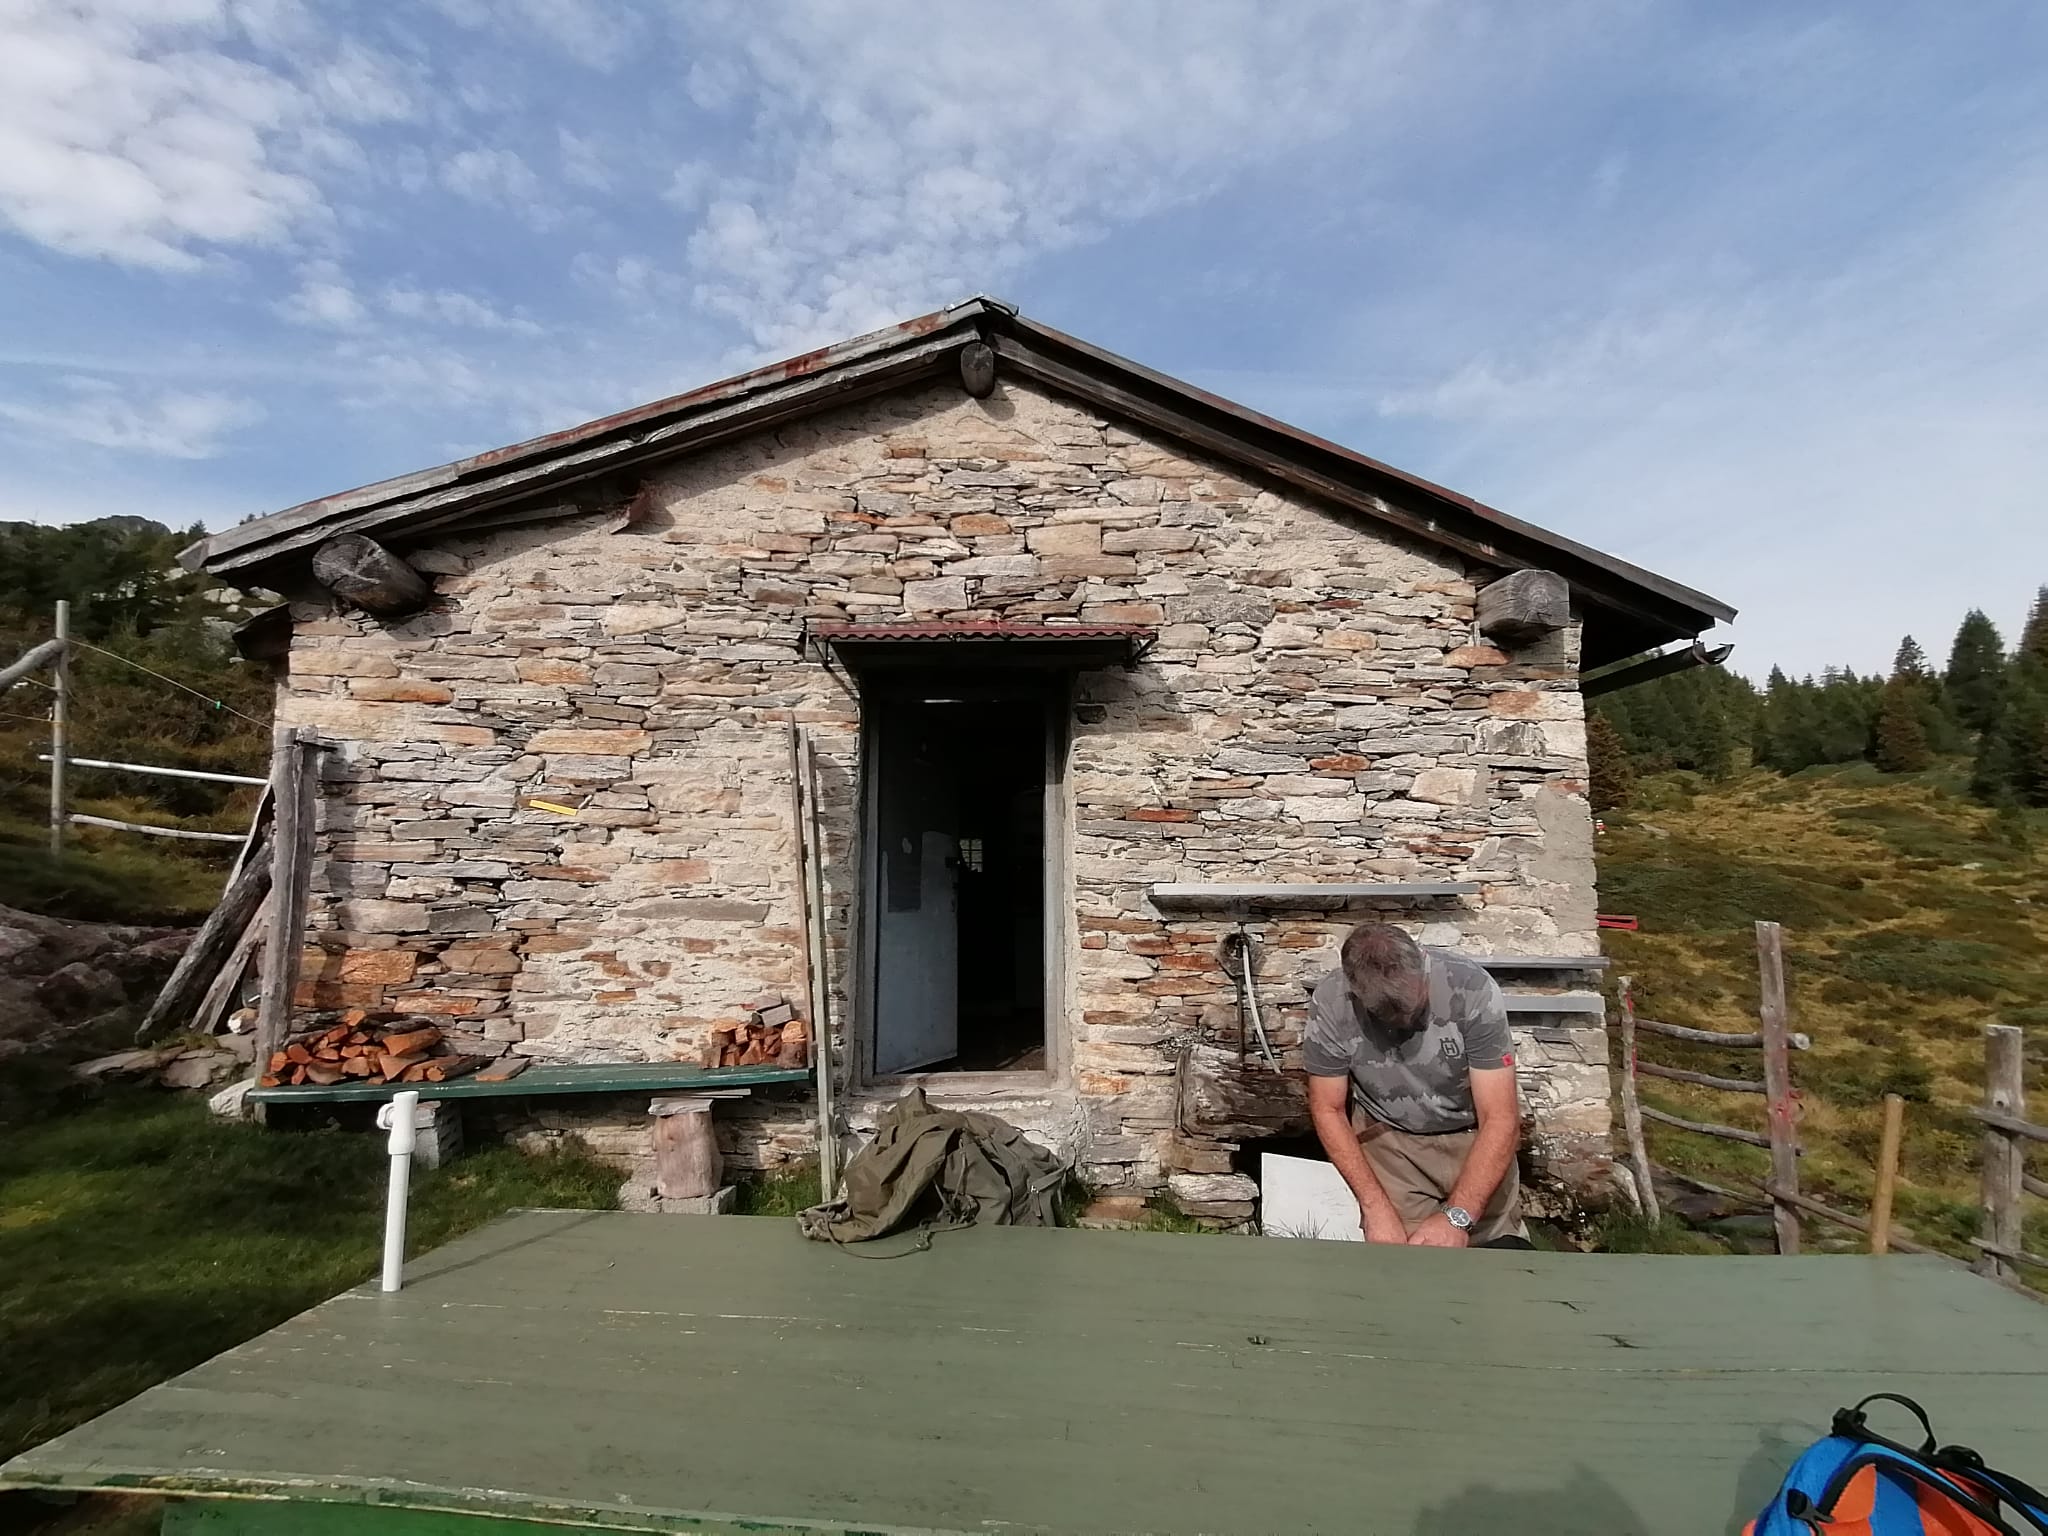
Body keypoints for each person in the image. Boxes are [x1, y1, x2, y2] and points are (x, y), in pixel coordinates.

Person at [1302, 922, 1530, 1248]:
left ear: (1422, 962)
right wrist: (1374, 1207)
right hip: (1391, 1144)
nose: (1403, 1022)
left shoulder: (1471, 989)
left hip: (1473, 1135)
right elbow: (1328, 1108)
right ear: (1354, 990)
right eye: (1385, 1014)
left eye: (1413, 1007)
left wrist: (1458, 1217)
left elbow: (1501, 1117)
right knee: (1405, 1263)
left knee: (1499, 1257)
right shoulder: (1332, 1001)